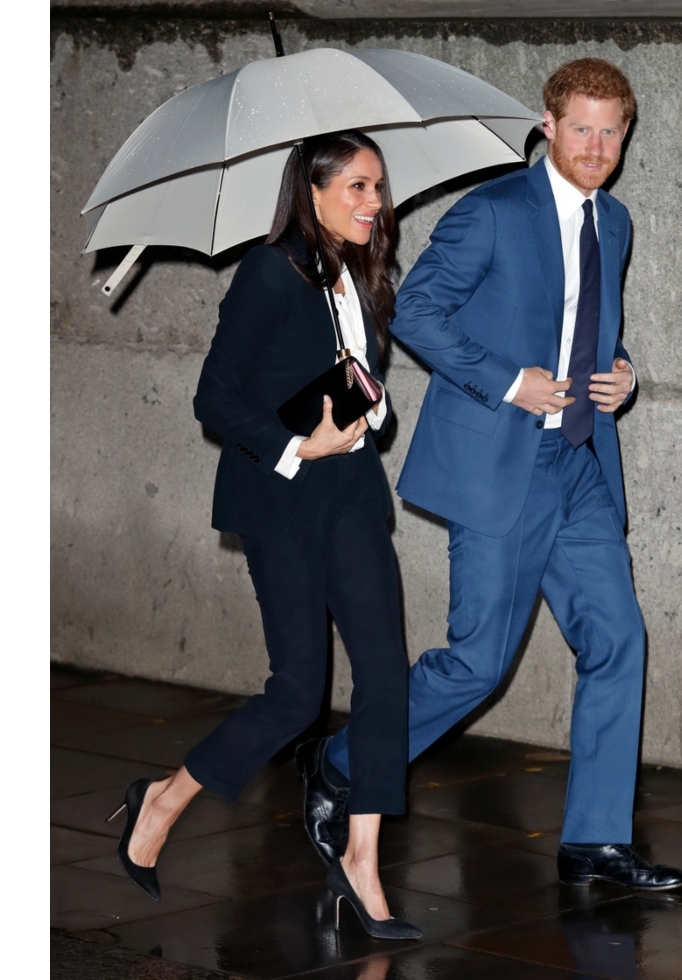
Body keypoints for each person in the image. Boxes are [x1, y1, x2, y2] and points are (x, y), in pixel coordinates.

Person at [300, 60, 682, 891]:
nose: (595, 146)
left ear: (626, 135)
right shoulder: (492, 212)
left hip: (581, 462)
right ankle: (340, 761)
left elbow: (587, 326)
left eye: (610, 131)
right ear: (547, 124)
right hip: (503, 463)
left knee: (618, 639)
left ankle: (595, 843)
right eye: (579, 127)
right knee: (477, 663)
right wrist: (511, 380)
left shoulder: (612, 222)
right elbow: (416, 309)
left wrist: (620, 372)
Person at [106, 130, 421, 940]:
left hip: (351, 493)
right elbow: (215, 396)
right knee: (297, 692)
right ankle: (166, 798)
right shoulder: (267, 273)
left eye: (377, 187)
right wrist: (296, 446)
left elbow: (360, 381)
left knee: (386, 676)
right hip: (283, 497)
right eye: (355, 187)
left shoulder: (358, 275)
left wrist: (369, 402)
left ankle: (362, 860)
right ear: (311, 191)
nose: (373, 203)